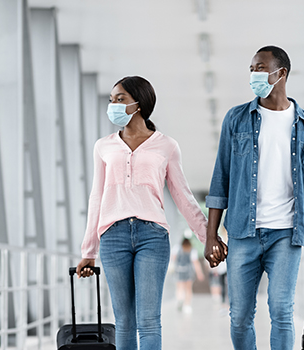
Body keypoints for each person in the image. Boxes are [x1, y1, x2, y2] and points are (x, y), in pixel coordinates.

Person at [203, 46, 304, 350]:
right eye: (251, 69)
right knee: (240, 317)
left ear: (280, 73)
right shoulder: (236, 119)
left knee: (282, 311)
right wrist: (211, 236)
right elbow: (220, 180)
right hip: (243, 233)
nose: (253, 75)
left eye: (260, 68)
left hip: (286, 234)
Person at [76, 76, 208, 350]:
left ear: (139, 103)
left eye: (120, 99)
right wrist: (89, 250)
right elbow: (97, 196)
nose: (113, 105)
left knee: (149, 320)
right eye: (111, 100)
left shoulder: (166, 146)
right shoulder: (104, 146)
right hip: (113, 236)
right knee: (124, 321)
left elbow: (183, 196)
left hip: (153, 236)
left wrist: (208, 238)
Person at [171, 238, 204, 314]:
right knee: (188, 289)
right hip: (188, 271)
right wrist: (199, 273)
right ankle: (187, 305)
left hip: (179, 270)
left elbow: (173, 259)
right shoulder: (192, 250)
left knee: (179, 287)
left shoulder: (177, 248)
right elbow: (195, 263)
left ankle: (180, 300)